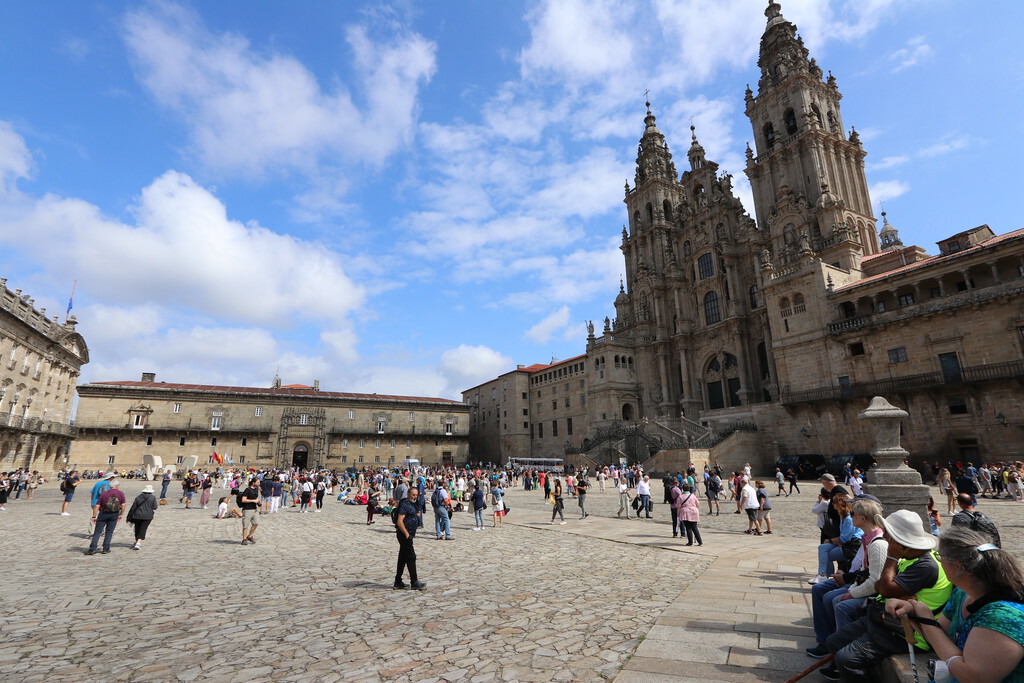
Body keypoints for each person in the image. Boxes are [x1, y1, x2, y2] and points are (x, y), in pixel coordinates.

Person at [820, 509, 953, 682]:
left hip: (906, 632)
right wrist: (888, 587)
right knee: (834, 642)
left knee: (847, 659)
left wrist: (891, 556)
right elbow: (880, 585)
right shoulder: (911, 557)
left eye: (888, 535)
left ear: (899, 541)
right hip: (885, 620)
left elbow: (883, 588)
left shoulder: (925, 566)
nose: (885, 537)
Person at [884, 526, 1024, 683]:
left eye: (939, 556)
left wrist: (925, 617)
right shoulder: (961, 593)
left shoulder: (1002, 616)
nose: (938, 560)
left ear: (957, 566)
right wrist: (914, 611)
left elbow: (972, 677)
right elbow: (939, 640)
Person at [807, 498, 886, 658]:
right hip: (856, 579)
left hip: (869, 590)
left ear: (862, 518)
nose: (851, 515)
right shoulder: (867, 538)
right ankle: (827, 641)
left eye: (853, 513)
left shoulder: (877, 543)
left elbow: (874, 580)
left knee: (837, 602)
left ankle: (841, 650)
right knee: (820, 589)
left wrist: (851, 591)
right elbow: (861, 568)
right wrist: (846, 576)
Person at [810, 493, 861, 584]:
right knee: (822, 548)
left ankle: (824, 575)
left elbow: (844, 538)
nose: (832, 504)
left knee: (827, 555)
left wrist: (829, 540)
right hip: (845, 543)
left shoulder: (848, 519)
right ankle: (823, 575)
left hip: (852, 545)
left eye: (834, 502)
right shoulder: (843, 517)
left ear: (839, 504)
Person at [394, 487, 426, 590]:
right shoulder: (405, 504)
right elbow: (399, 521)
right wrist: (407, 534)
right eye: (413, 495)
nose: (415, 497)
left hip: (409, 534)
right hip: (404, 535)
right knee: (411, 557)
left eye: (416, 495)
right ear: (408, 494)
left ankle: (398, 581)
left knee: (402, 558)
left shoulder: (412, 504)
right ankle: (414, 581)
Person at [86, 479, 126, 555]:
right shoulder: (121, 493)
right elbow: (123, 505)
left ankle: (92, 548)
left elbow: (97, 506)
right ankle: (106, 548)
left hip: (103, 513)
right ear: (117, 486)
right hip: (114, 514)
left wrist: (94, 516)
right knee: (109, 531)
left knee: (97, 531)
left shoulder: (104, 494)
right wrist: (121, 514)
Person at [126, 484, 159, 550]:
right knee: (143, 528)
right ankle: (138, 542)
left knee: (137, 528)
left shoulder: (138, 497)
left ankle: (137, 541)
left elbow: (133, 507)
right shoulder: (152, 498)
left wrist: (128, 516)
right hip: (147, 516)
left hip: (137, 515)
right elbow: (155, 507)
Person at [239, 478, 260, 545]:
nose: (258, 483)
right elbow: (243, 500)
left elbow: (255, 497)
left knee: (256, 523)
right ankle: (244, 538)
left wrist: (257, 502)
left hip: (254, 509)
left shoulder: (256, 489)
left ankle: (250, 536)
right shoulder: (247, 490)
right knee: (245, 525)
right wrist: (253, 501)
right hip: (247, 509)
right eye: (257, 482)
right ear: (253, 482)